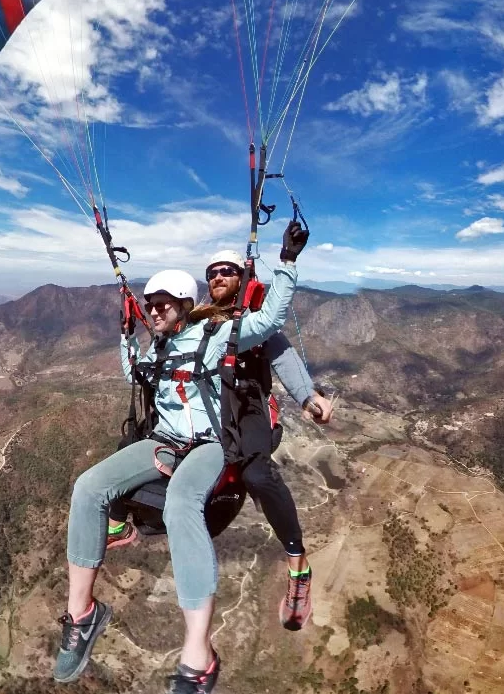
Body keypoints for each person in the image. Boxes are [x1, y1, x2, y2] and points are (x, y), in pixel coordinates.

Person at [54, 221, 309, 694]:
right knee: (87, 487)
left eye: (164, 305)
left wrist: (284, 261)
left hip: (210, 444)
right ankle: (82, 615)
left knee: (182, 504)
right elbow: (134, 372)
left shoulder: (216, 335)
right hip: (166, 439)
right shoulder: (157, 346)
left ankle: (198, 659)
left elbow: (270, 321)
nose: (155, 313)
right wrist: (128, 334)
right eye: (150, 306)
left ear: (184, 304)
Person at [106, 249, 334, 632]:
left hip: (247, 407)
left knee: (257, 475)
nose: (219, 276)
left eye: (228, 271)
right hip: (207, 406)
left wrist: (309, 397)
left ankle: (298, 567)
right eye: (212, 272)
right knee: (138, 443)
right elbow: (158, 360)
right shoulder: (198, 324)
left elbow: (282, 354)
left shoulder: (252, 324)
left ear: (242, 278)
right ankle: (121, 521)